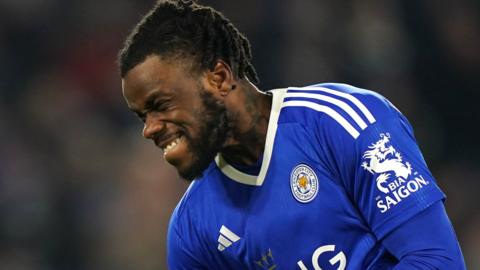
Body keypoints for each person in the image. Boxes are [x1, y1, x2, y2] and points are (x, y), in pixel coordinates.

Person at [118, 1, 466, 269]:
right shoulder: (193, 230)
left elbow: (437, 261)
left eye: (160, 104)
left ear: (219, 78)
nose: (149, 129)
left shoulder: (342, 122)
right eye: (142, 116)